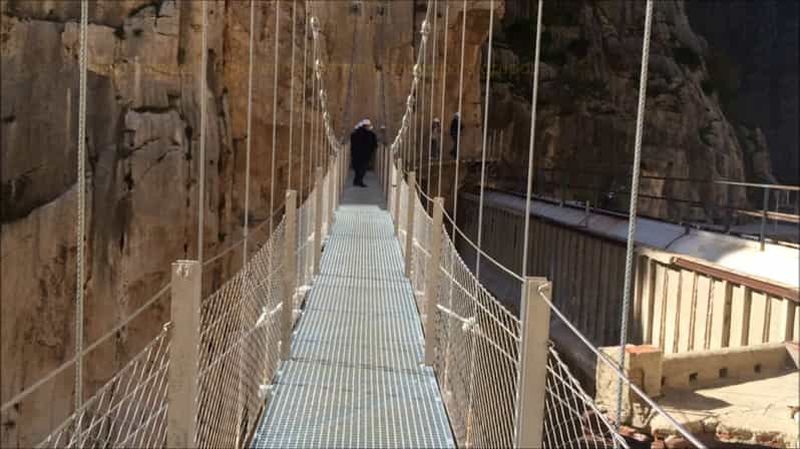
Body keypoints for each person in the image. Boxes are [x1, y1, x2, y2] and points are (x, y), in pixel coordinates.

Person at [350, 119, 377, 187]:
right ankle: (359, 182)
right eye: (368, 126)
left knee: (357, 168)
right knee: (363, 168)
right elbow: (373, 144)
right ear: (366, 126)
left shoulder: (354, 134)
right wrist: (372, 150)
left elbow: (352, 143)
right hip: (365, 154)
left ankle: (356, 181)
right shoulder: (370, 134)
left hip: (355, 154)